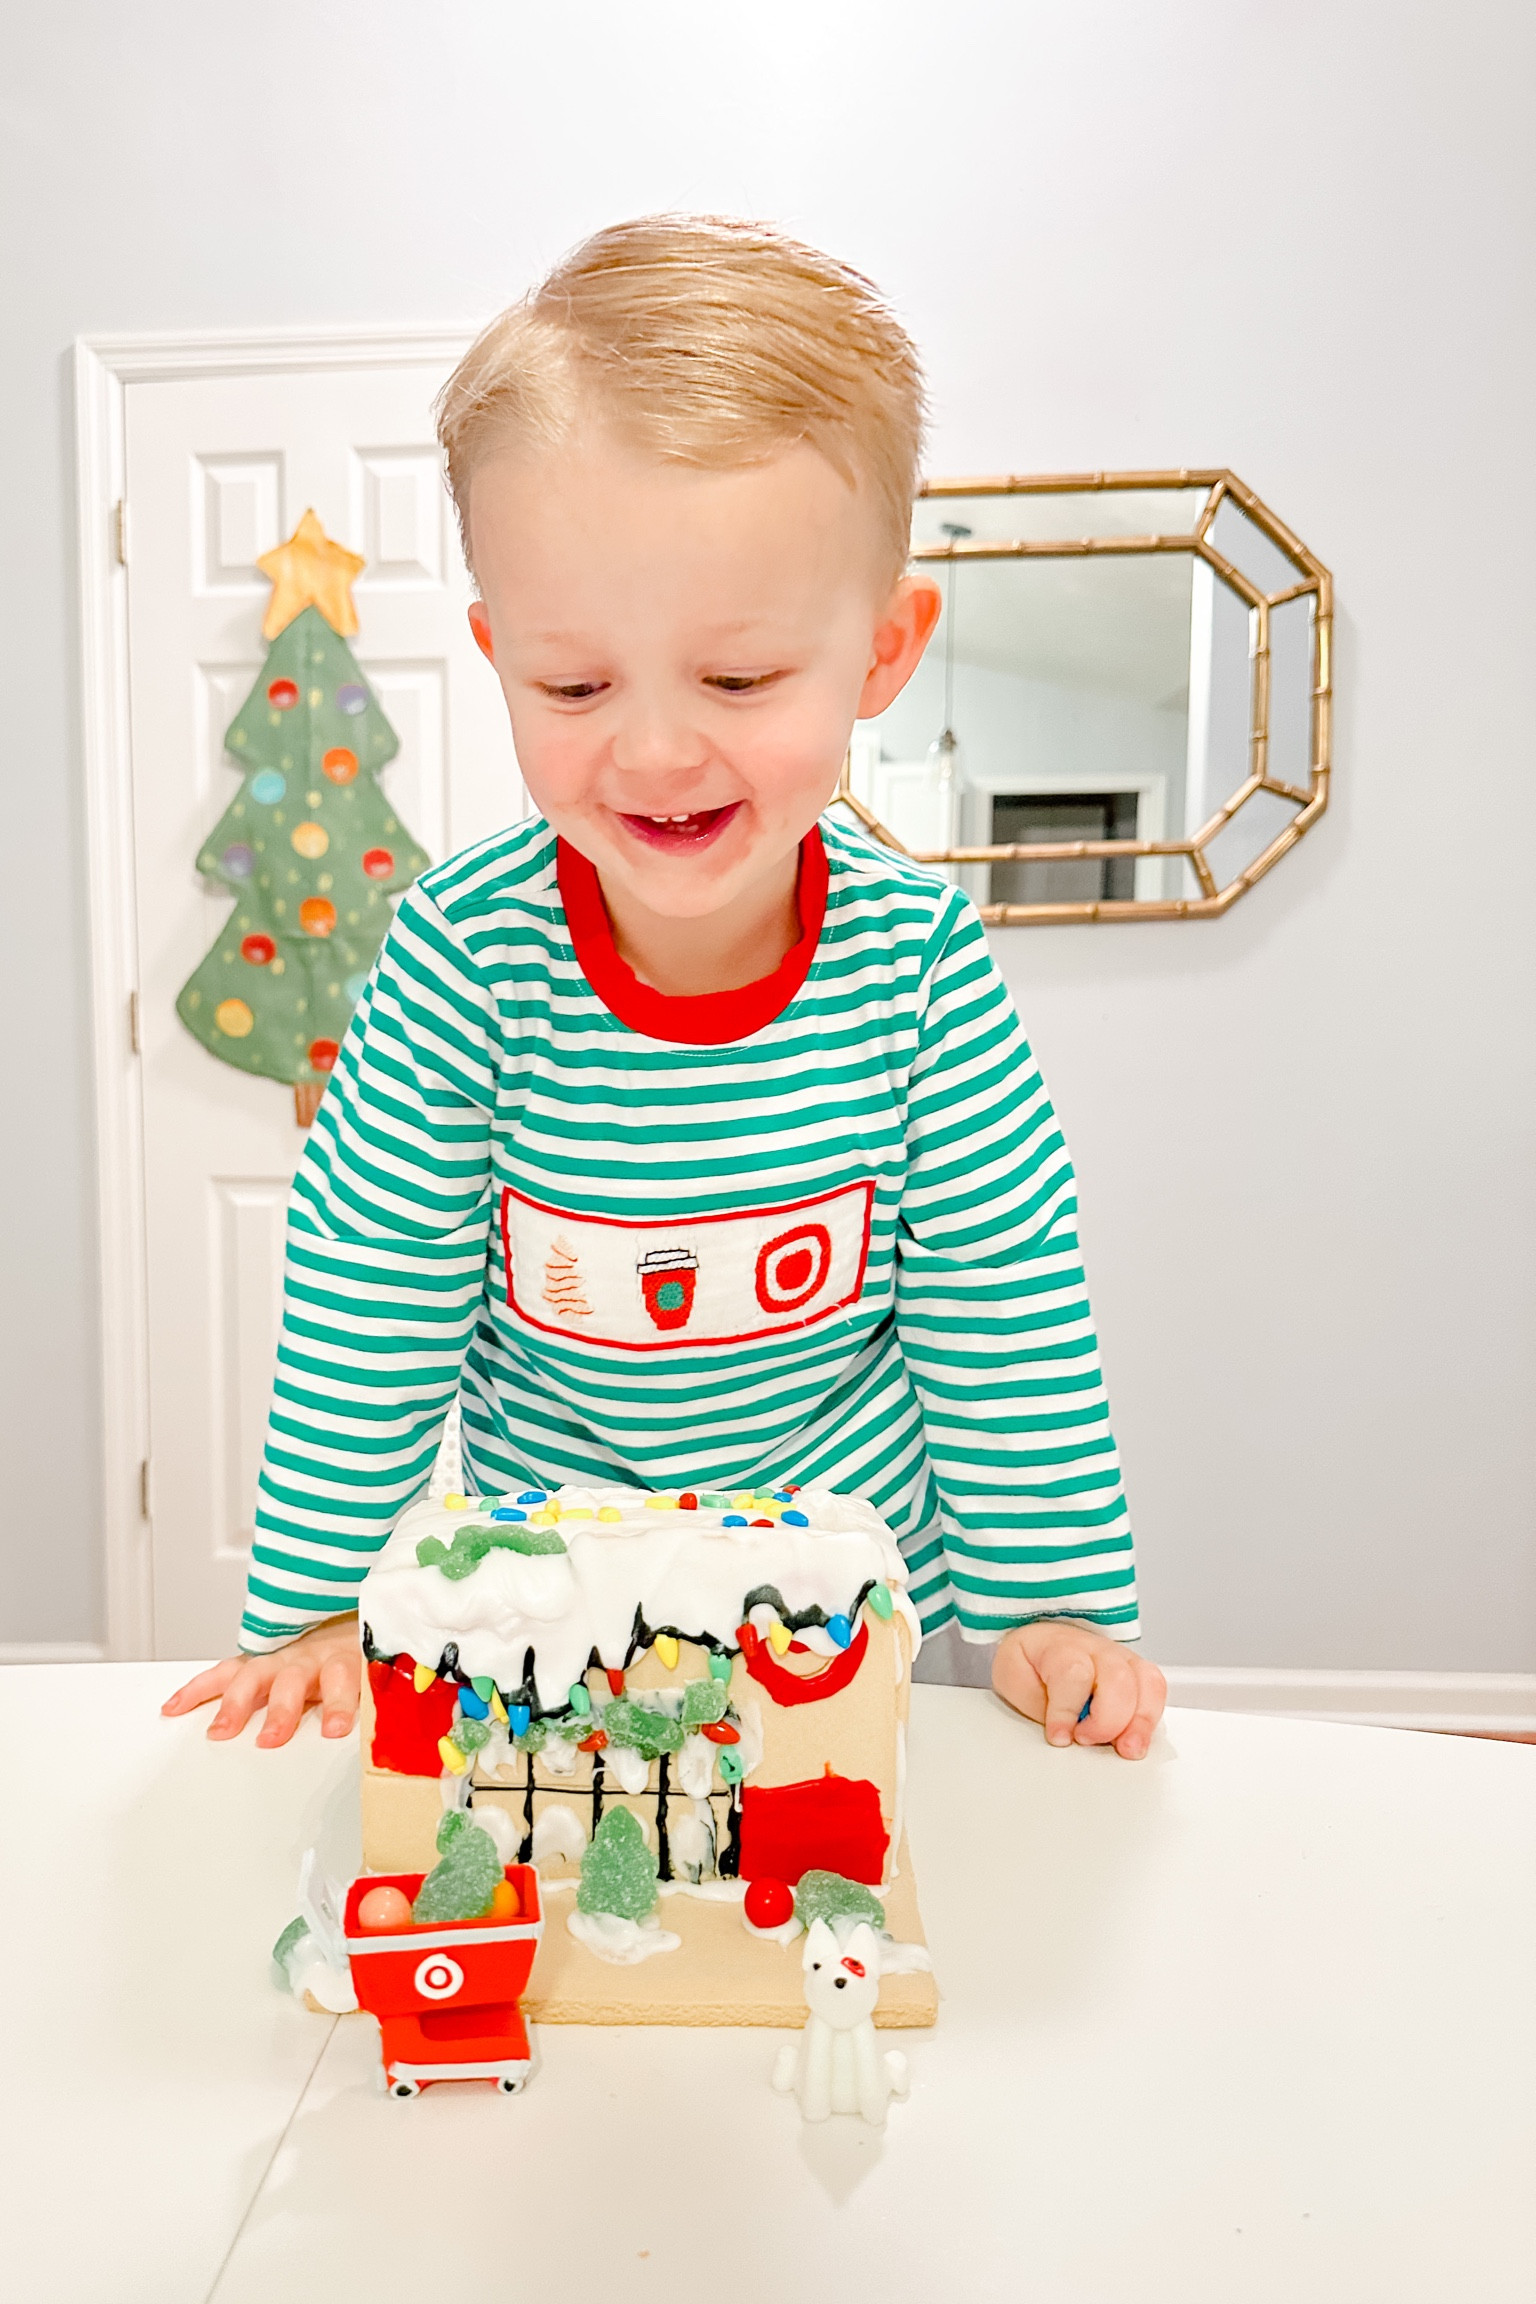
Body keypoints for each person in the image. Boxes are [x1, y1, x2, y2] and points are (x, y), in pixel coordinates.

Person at [164, 215, 1166, 1763]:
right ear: (497, 654)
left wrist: (1053, 1607)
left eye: (739, 679)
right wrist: (309, 1610)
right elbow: (372, 1292)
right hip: (543, 1606)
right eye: (574, 685)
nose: (650, 750)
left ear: (882, 652)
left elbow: (1002, 1298)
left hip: (840, 1612)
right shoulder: (461, 960)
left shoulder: (918, 966)